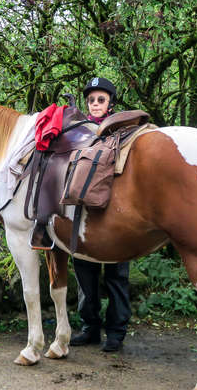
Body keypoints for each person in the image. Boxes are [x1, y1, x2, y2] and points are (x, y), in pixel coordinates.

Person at [69, 77, 131, 352]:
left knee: (117, 275)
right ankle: (89, 327)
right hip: (84, 214)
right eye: (92, 100)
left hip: (114, 214)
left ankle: (116, 332)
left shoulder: (122, 131)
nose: (95, 104)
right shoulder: (79, 131)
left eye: (101, 99)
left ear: (111, 103)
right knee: (85, 274)